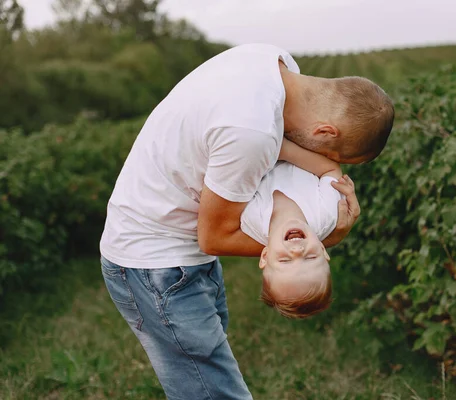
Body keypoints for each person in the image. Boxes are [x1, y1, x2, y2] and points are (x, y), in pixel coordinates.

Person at [99, 43, 394, 399]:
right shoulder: (253, 134)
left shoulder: (271, 60)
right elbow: (214, 236)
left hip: (179, 249)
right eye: (334, 155)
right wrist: (327, 238)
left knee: (207, 374)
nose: (324, 160)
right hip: (155, 260)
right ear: (325, 132)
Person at [239, 138, 357, 319]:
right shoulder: (327, 214)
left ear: (265, 255)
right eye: (310, 257)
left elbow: (235, 178)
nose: (297, 250)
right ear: (323, 250)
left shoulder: (250, 219)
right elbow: (330, 169)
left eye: (285, 261)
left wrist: (260, 150)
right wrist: (282, 149)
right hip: (299, 138)